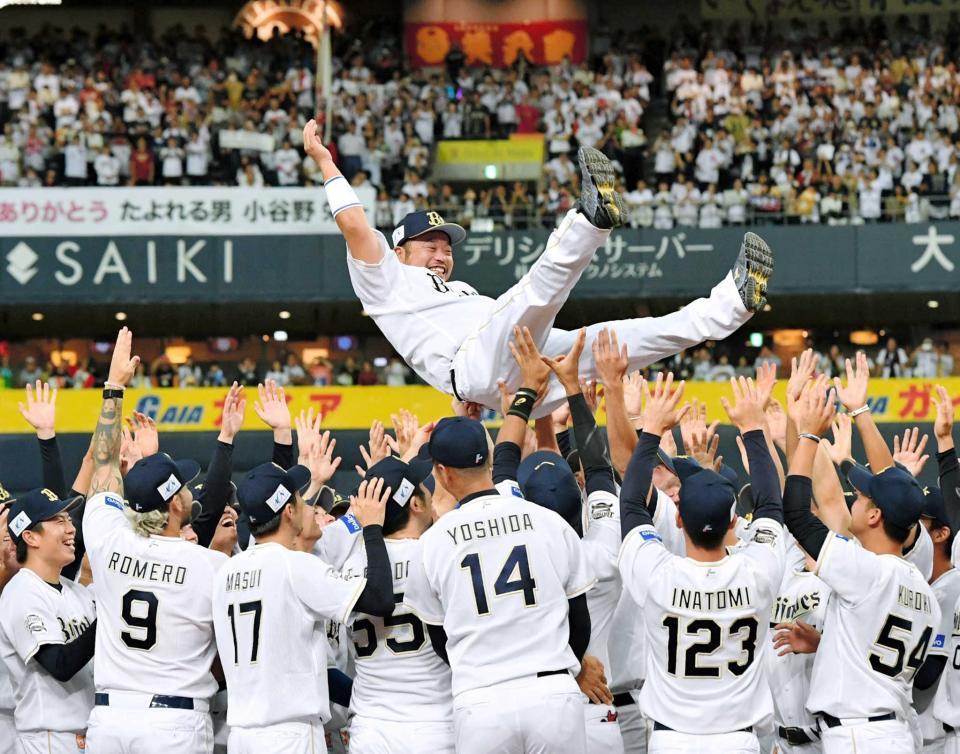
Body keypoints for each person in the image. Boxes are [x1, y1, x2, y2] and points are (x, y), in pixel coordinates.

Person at [303, 119, 773, 418]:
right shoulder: (385, 279)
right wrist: (326, 164)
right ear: (401, 249)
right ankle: (589, 219)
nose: (442, 251)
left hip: (512, 374)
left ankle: (732, 305)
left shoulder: (461, 290)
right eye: (429, 243)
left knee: (625, 340)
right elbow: (353, 224)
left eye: (447, 245)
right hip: (476, 364)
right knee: (534, 294)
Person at [405, 414, 595, 754]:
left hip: (481, 698)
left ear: (443, 472)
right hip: (550, 690)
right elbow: (580, 621)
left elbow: (439, 638)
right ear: (490, 459)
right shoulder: (548, 521)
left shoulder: (432, 543)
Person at [617, 373, 787, 752]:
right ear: (732, 522)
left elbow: (629, 504)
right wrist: (752, 428)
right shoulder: (757, 570)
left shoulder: (658, 574)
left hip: (672, 741)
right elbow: (771, 504)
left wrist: (650, 430)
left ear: (679, 519)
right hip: (738, 740)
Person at [781, 356, 940, 754]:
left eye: (863, 495)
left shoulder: (867, 571)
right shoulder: (921, 586)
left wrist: (808, 437)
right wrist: (831, 642)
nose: (854, 496)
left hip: (859, 736)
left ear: (874, 515)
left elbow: (798, 514)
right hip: (892, 731)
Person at [81, 328, 229, 753]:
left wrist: (113, 388)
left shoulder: (109, 540)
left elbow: (104, 459)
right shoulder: (208, 564)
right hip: (173, 721)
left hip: (108, 719)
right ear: (175, 506)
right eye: (183, 485)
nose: (188, 489)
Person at [212, 462, 395, 753]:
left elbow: (324, 545)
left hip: (241, 737)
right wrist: (373, 527)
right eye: (300, 498)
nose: (306, 504)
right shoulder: (294, 565)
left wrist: (354, 520)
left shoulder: (226, 571)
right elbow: (379, 599)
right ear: (288, 511)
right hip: (289, 735)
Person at [334, 456, 454, 754]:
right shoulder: (435, 555)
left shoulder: (349, 563)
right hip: (433, 720)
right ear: (416, 504)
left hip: (370, 727)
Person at [0, 489, 96, 754]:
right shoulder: (21, 593)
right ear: (30, 537)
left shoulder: (76, 593)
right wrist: (109, 616)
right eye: (59, 520)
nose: (71, 528)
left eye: (69, 519)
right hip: (47, 739)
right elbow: (60, 664)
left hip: (88, 735)